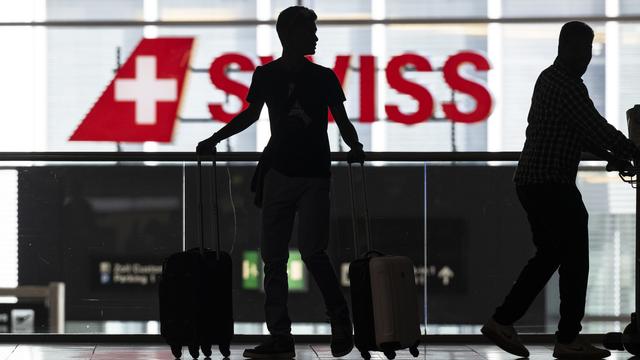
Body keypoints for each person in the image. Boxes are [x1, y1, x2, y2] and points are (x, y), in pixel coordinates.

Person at [197, 5, 365, 359]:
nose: (316, 37)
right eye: (311, 30)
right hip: (313, 174)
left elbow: (250, 116)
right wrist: (355, 148)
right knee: (310, 253)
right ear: (291, 35)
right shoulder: (323, 78)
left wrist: (214, 140)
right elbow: (342, 122)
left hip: (283, 174)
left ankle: (281, 337)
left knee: (275, 259)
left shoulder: (269, 75)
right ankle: (338, 320)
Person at [481, 21, 640, 359]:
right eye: (584, 49)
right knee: (575, 260)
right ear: (566, 47)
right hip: (551, 183)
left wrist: (612, 157)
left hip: (533, 182)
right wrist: (633, 152)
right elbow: (596, 127)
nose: (587, 56)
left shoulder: (547, 79)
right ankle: (567, 338)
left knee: (550, 255)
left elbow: (578, 134)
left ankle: (503, 320)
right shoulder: (567, 86)